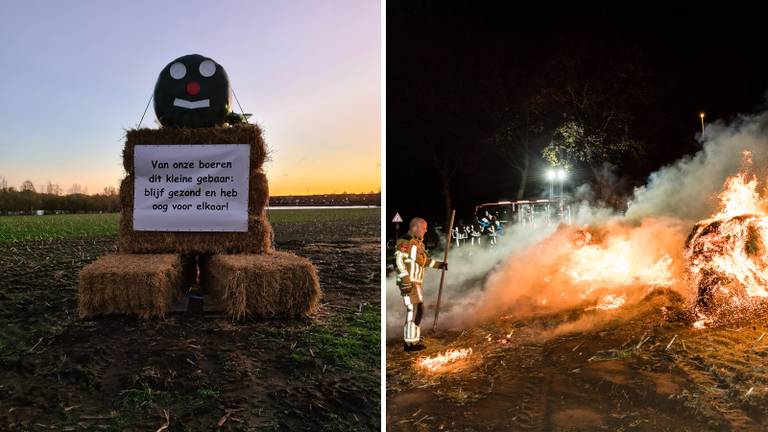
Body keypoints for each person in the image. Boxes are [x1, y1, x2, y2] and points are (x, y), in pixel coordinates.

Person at [394, 217, 448, 351]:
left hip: (416, 283)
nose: (425, 230)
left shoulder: (419, 245)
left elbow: (424, 261)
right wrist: (405, 280)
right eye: (423, 228)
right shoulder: (406, 241)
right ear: (415, 228)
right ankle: (409, 343)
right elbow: (398, 261)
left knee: (417, 310)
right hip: (409, 282)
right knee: (414, 311)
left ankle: (413, 339)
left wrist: (439, 265)